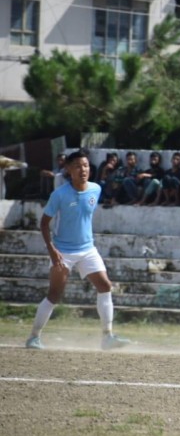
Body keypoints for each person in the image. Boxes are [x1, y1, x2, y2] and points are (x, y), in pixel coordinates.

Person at [25, 149, 129, 350]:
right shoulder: (60, 194)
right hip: (63, 251)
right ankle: (34, 337)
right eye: (78, 166)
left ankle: (107, 336)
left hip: (88, 249)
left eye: (86, 166)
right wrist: (52, 250)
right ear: (68, 170)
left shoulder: (95, 189)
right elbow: (44, 224)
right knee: (54, 294)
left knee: (105, 286)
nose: (83, 170)